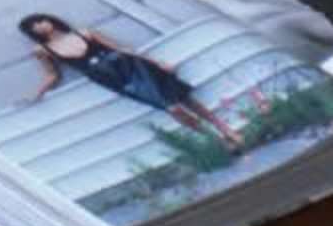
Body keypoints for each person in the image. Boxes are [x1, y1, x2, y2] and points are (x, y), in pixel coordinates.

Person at [16, 14, 229, 142]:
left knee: (183, 98)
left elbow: (121, 48)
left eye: (40, 19)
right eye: (33, 25)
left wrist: (156, 62)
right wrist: (36, 94)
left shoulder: (83, 32)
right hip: (114, 79)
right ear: (32, 31)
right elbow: (52, 75)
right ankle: (216, 138)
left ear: (49, 19)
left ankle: (225, 130)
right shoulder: (42, 50)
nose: (40, 24)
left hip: (134, 66)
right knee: (171, 107)